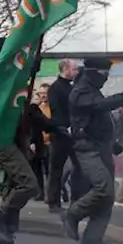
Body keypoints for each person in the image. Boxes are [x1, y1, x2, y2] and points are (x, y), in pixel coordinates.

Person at [64, 57, 123, 244]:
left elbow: (100, 120)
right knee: (103, 188)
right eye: (104, 74)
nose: (106, 79)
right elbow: (99, 106)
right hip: (87, 148)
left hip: (102, 147)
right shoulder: (80, 91)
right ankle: (73, 213)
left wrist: (113, 143)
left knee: (108, 197)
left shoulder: (92, 91)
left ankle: (93, 237)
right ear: (93, 72)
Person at [0, 37, 46, 244]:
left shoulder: (8, 75)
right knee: (28, 185)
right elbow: (2, 92)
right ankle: (0, 220)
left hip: (16, 138)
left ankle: (5, 242)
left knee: (12, 188)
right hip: (3, 140)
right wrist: (26, 67)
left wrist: (31, 65)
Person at [45, 59, 79, 213]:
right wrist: (65, 127)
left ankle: (77, 200)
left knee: (79, 167)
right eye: (74, 69)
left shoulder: (72, 88)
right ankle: (53, 202)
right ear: (65, 69)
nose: (76, 72)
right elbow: (56, 111)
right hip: (60, 134)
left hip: (74, 133)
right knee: (57, 169)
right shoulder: (55, 88)